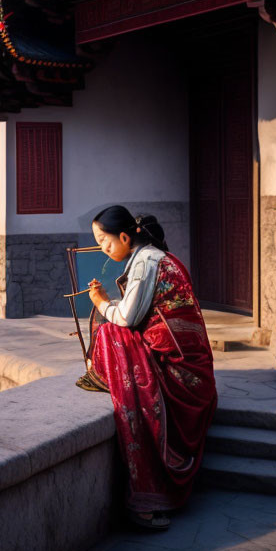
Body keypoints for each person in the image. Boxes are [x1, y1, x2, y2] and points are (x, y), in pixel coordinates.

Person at [77, 205, 217, 531]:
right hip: (196, 371)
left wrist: (99, 302)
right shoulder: (158, 256)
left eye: (106, 242)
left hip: (180, 371)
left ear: (125, 237)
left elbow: (126, 319)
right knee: (114, 331)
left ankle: (147, 493)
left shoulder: (145, 263)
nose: (103, 249)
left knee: (112, 332)